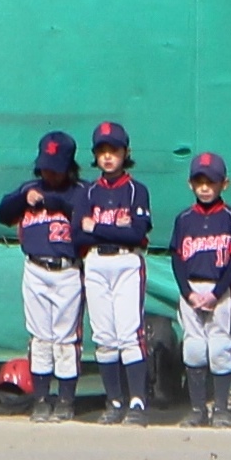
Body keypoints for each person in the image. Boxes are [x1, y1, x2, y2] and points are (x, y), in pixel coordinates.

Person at [0, 130, 88, 421]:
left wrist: (62, 206)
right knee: (39, 337)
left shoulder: (81, 192)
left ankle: (66, 400)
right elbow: (2, 213)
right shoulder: (30, 188)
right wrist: (24, 196)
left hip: (68, 269)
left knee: (64, 338)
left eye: (56, 167)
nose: (49, 173)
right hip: (35, 268)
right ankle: (41, 400)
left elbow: (90, 223)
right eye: (45, 166)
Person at [78, 121, 156, 425]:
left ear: (126, 153)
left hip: (127, 263)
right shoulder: (88, 192)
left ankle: (137, 402)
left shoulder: (137, 190)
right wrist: (112, 231)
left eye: (115, 150)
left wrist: (96, 228)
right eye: (102, 151)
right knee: (104, 336)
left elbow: (137, 233)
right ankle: (113, 401)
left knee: (129, 334)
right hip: (95, 263)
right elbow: (77, 235)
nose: (108, 156)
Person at [170, 151, 231, 428]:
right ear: (190, 183)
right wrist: (187, 293)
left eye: (211, 182)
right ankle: (197, 409)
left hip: (220, 290)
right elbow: (177, 259)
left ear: (224, 184)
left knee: (219, 347)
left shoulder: (230, 217)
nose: (205, 188)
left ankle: (223, 409)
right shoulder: (184, 219)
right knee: (193, 347)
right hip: (191, 289)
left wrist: (217, 293)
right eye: (199, 181)